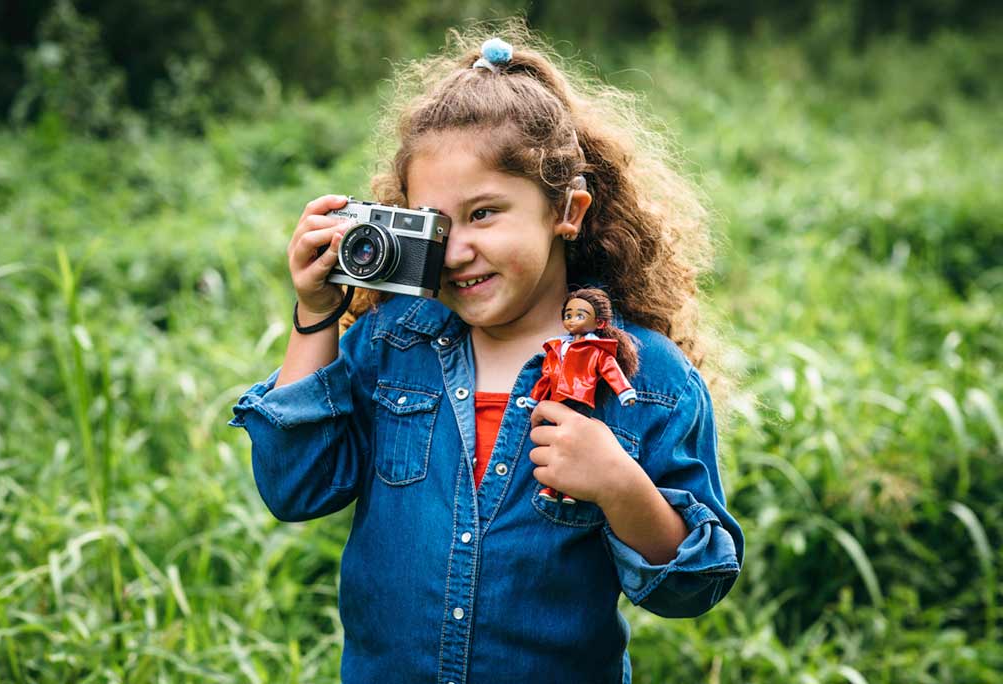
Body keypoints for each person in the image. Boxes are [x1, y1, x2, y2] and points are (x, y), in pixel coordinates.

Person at [230, 25, 744, 684]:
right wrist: (315, 313)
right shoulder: (392, 342)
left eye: (484, 214)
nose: (458, 250)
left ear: (568, 209)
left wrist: (620, 486)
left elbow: (692, 586)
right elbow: (295, 487)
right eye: (434, 224)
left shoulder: (644, 379)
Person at [529, 287, 639, 505]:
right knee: (553, 447)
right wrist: (534, 398)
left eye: (580, 316)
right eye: (568, 315)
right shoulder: (557, 347)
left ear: (600, 323)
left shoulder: (595, 350)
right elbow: (547, 375)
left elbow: (611, 371)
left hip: (579, 398)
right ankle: (550, 488)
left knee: (571, 449)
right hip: (554, 400)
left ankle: (570, 491)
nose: (572, 321)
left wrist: (625, 392)